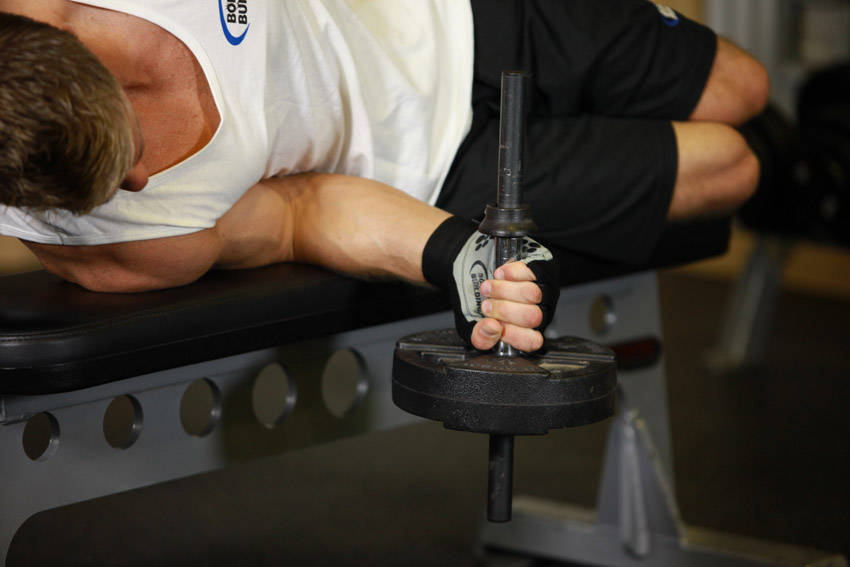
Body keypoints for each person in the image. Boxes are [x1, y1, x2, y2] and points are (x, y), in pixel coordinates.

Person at [0, 0, 768, 353]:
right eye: (111, 189)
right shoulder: (119, 246)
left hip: (456, 14)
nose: (142, 179)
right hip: (430, 171)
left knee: (742, 88)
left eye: (127, 144)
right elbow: (299, 214)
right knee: (731, 166)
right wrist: (460, 256)